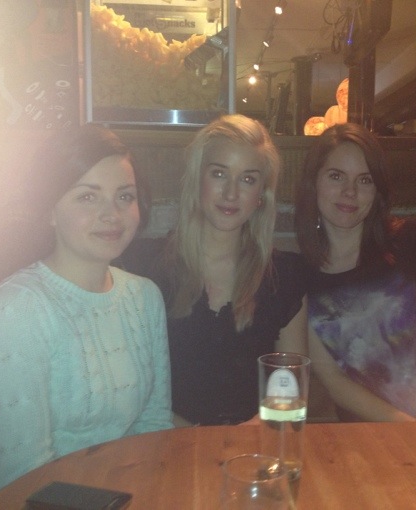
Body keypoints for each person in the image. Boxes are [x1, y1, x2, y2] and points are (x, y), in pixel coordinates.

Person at [0, 125, 172, 509]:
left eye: (125, 196)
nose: (112, 214)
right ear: (49, 211)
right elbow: (24, 481)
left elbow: (153, 428)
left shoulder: (144, 297)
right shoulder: (16, 310)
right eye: (87, 196)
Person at [121, 114, 308, 426]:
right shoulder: (144, 267)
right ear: (198, 180)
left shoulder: (284, 276)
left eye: (248, 179)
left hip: (255, 446)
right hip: (165, 443)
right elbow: (132, 392)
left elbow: (291, 391)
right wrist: (204, 442)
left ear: (262, 195)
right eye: (219, 174)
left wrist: (244, 441)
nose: (231, 193)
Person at [294, 123, 416, 422]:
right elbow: (334, 381)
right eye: (336, 176)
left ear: (377, 191)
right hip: (363, 435)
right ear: (313, 183)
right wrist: (406, 430)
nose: (350, 192)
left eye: (365, 180)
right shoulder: (298, 278)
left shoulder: (413, 241)